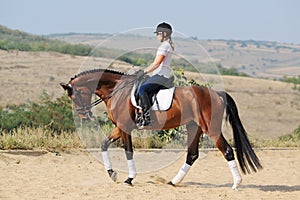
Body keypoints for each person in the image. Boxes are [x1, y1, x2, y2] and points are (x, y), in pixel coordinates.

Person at [136, 22, 174, 128]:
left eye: (158, 33)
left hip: (160, 76)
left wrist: (144, 72)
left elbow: (156, 64)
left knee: (142, 90)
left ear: (164, 34)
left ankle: (147, 118)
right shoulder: (167, 45)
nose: (156, 36)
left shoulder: (164, 46)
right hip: (159, 76)